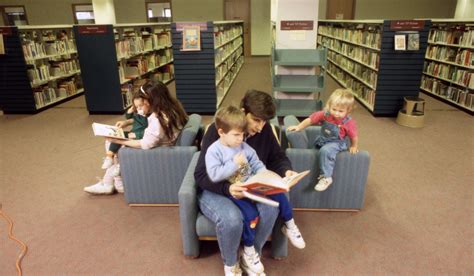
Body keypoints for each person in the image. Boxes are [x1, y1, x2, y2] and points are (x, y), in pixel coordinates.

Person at [195, 90, 299, 276]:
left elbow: (277, 157)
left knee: (270, 208)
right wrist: (227, 189)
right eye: (257, 120)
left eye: (265, 122)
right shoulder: (218, 131)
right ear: (243, 112)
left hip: (246, 185)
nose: (261, 127)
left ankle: (250, 255)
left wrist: (285, 170)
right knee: (232, 219)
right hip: (217, 188)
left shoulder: (264, 130)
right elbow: (202, 175)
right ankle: (231, 263)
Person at [84, 80, 188, 195]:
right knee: (115, 141)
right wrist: (127, 122)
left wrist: (117, 140)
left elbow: (145, 144)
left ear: (151, 99)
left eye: (144, 99)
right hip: (162, 145)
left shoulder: (158, 118)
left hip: (157, 152)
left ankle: (111, 184)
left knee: (111, 143)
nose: (143, 102)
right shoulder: (171, 107)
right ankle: (112, 183)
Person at [287, 88, 359, 192]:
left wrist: (354, 146)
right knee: (314, 151)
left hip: (338, 143)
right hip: (323, 140)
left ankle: (326, 177)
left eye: (341, 111)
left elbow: (354, 136)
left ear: (348, 111)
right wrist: (299, 127)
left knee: (326, 150)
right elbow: (310, 120)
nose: (336, 113)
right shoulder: (325, 114)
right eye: (334, 109)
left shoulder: (348, 122)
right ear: (329, 105)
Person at [101, 92, 149, 170]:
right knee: (116, 136)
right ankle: (109, 157)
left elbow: (148, 131)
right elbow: (128, 116)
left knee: (118, 141)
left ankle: (117, 166)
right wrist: (130, 110)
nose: (139, 108)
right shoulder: (138, 113)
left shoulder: (149, 117)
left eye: (141, 105)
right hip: (132, 133)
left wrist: (135, 135)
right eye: (137, 106)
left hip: (139, 136)